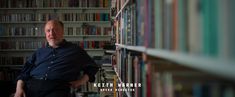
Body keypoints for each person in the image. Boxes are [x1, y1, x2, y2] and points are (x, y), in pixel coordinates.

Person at [14, 20, 99, 97]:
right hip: (31, 87)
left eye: (55, 30)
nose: (51, 33)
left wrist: (81, 81)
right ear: (45, 34)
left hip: (57, 89)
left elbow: (92, 67)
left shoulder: (75, 50)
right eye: (48, 31)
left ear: (62, 32)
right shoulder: (39, 52)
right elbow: (24, 72)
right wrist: (18, 89)